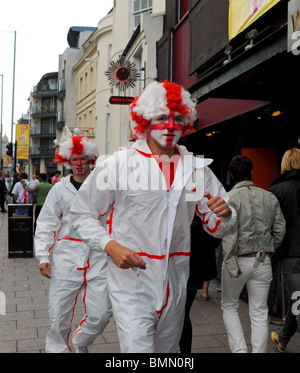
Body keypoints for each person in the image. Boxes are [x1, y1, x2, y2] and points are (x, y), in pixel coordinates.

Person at [70, 80, 236, 353]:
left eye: (178, 119)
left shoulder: (197, 170)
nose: (170, 126)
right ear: (145, 121)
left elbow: (220, 226)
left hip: (176, 281)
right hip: (131, 281)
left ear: (187, 123)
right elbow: (82, 213)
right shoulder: (120, 164)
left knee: (167, 353)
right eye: (162, 118)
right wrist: (111, 246)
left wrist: (226, 213)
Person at [34, 136, 112, 353]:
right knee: (58, 314)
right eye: (75, 159)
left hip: (98, 257)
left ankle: (80, 342)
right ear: (68, 161)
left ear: (90, 160)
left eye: (83, 159)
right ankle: (58, 350)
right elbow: (47, 222)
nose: (79, 163)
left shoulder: (103, 186)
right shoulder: (59, 189)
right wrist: (43, 256)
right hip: (66, 258)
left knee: (102, 313)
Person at [221, 155, 286, 353]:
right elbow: (280, 228)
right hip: (262, 260)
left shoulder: (228, 198)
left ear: (232, 176)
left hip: (236, 260)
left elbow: (223, 230)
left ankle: (240, 351)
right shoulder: (269, 196)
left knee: (229, 306)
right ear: (252, 172)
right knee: (259, 311)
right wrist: (269, 248)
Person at [269, 148, 300, 353]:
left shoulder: (277, 190)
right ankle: (283, 339)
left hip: (291, 253)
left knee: (297, 301)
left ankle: (283, 339)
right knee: (296, 300)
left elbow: (269, 224)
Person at [179, 214, 220, 353]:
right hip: (187, 270)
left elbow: (214, 240)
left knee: (181, 315)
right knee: (182, 315)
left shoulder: (199, 214)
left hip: (189, 271)